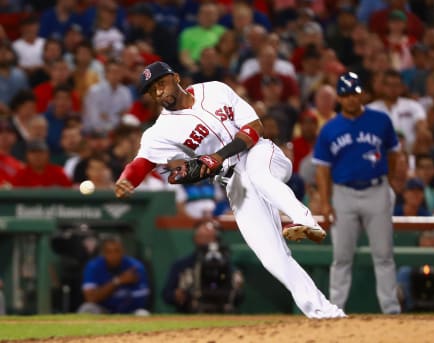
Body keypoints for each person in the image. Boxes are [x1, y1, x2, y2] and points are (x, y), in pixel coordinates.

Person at [114, 61, 345, 319]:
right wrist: (127, 179)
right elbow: (141, 163)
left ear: (175, 77)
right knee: (270, 255)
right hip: (235, 183)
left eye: (160, 84)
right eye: (151, 91)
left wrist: (217, 156)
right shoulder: (160, 132)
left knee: (259, 175)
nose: (158, 92)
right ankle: (325, 313)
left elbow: (254, 129)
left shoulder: (214, 90)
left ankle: (303, 219)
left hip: (261, 153)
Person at [312, 72, 401, 314]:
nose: (351, 98)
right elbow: (322, 170)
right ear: (339, 98)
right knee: (341, 257)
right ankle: (335, 310)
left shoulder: (381, 120)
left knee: (383, 255)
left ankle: (391, 310)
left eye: (354, 93)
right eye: (346, 94)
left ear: (362, 94)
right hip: (343, 194)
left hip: (376, 189)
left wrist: (390, 180)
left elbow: (394, 154)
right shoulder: (330, 128)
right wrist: (325, 201)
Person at [162, 219, 243, 313]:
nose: (209, 242)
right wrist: (177, 295)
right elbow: (167, 295)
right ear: (196, 239)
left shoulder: (226, 265)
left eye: (211, 238)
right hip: (191, 314)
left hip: (222, 312)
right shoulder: (182, 265)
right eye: (204, 237)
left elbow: (239, 296)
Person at [78, 234, 150, 315]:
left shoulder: (135, 266)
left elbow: (142, 298)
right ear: (103, 253)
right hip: (103, 310)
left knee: (143, 314)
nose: (113, 255)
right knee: (87, 309)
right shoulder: (93, 266)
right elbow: (90, 298)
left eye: (117, 251)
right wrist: (118, 281)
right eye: (109, 252)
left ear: (123, 251)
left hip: (129, 311)